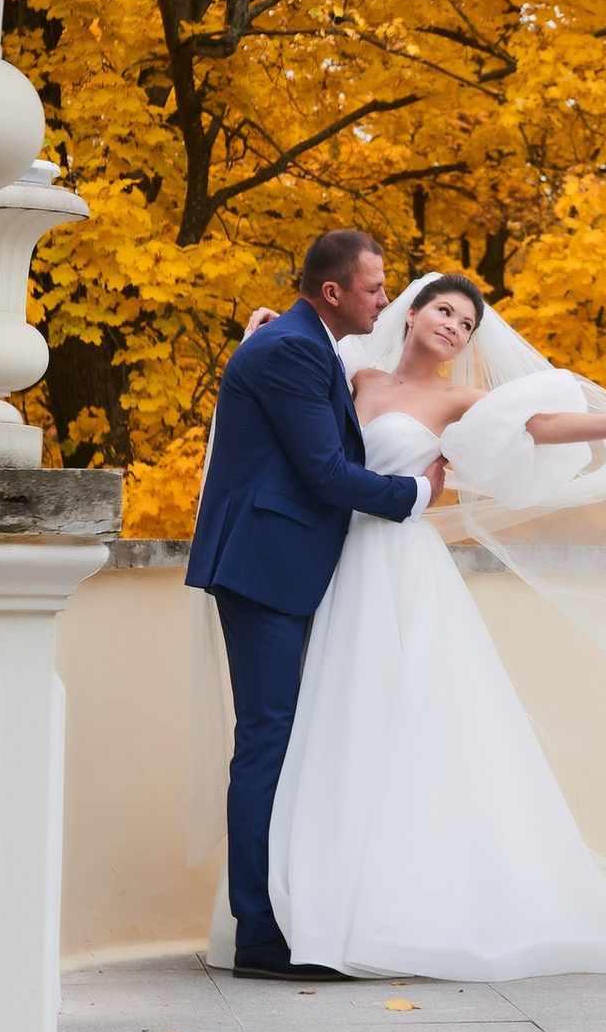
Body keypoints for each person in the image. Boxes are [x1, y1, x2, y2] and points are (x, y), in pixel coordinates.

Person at [265, 265, 606, 981]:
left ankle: (406, 905)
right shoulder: (354, 374)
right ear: (412, 312)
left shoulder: (459, 399)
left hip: (402, 564)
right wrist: (264, 323)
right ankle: (329, 899)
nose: (453, 326)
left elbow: (542, 427)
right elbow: (297, 376)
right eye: (444, 310)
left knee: (412, 720)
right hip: (339, 560)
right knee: (340, 718)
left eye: (467, 323)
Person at [187, 229, 448, 979]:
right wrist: (415, 494)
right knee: (267, 742)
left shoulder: (303, 342)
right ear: (332, 292)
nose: (383, 296)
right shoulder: (295, 349)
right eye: (373, 287)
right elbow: (328, 472)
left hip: (280, 564)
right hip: (266, 566)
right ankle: (261, 937)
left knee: (281, 740)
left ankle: (284, 913)